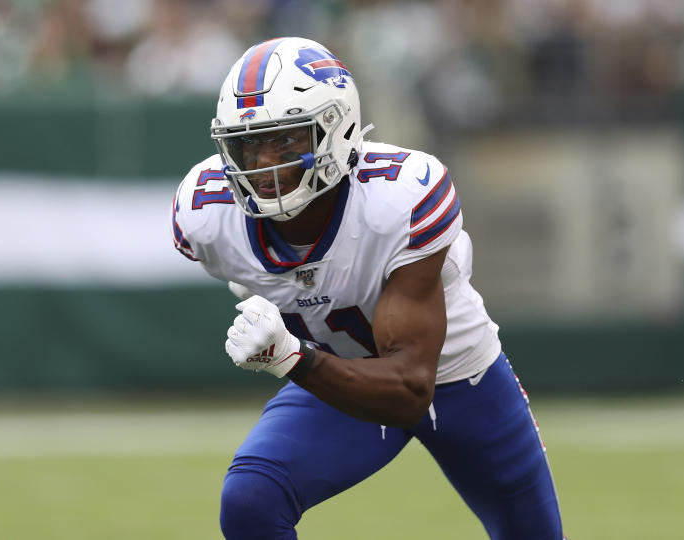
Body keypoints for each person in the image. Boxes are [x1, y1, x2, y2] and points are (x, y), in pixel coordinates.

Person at [172, 37, 564, 540]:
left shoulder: (401, 197)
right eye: (248, 144)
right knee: (252, 499)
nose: (263, 164)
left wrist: (290, 357)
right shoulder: (207, 215)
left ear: (335, 130)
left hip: (458, 377)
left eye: (285, 141)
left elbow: (408, 390)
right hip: (335, 380)